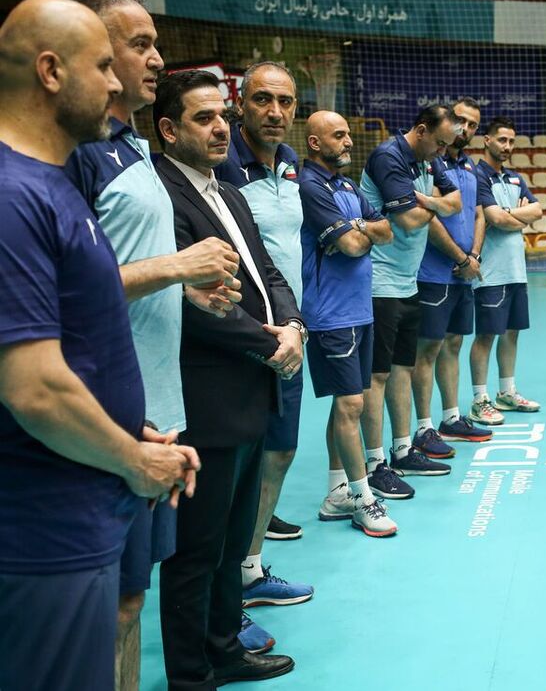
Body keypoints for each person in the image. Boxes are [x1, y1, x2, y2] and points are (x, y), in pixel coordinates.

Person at [0, 0, 197, 691]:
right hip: (44, 524)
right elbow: (33, 386)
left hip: (86, 494)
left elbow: (72, 340)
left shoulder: (51, 184)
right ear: (52, 71)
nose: (117, 83)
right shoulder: (12, 196)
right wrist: (135, 458)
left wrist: (125, 427)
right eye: (103, 67)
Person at [64, 0, 247, 685]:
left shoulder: (132, 149)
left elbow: (120, 265)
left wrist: (182, 288)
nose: (156, 59)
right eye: (138, 43)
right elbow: (64, 287)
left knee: (130, 600)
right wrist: (176, 265)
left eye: (154, 43)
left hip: (157, 409)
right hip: (106, 413)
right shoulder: (76, 155)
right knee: (101, 607)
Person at [155, 69, 303, 687]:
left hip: (250, 393)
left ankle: (224, 649)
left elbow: (267, 271)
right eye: (204, 118)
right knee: (197, 549)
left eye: (222, 115)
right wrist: (270, 345)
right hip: (208, 398)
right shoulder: (163, 196)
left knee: (232, 540)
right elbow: (191, 306)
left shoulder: (230, 193)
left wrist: (292, 324)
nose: (221, 127)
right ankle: (191, 675)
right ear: (169, 130)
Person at [212, 62, 314, 632]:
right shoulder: (223, 163)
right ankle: (223, 596)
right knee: (237, 466)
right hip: (242, 338)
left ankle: (249, 570)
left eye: (285, 101)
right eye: (262, 100)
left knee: (279, 452)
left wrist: (295, 322)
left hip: (289, 334)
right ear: (241, 105)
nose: (275, 112)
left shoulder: (290, 163)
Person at [299, 110, 399, 536]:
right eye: (338, 135)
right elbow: (352, 245)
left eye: (347, 135)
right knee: (351, 405)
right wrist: (361, 231)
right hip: (331, 314)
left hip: (359, 310)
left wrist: (360, 228)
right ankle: (362, 497)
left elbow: (386, 230)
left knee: (347, 403)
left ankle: (336, 491)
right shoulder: (310, 186)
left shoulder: (346, 185)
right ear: (315, 143)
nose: (348, 142)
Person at [360, 104, 461, 482]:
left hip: (407, 281)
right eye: (439, 143)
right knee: (377, 375)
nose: (443, 152)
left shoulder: (428, 160)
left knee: (402, 367)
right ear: (421, 130)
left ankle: (402, 449)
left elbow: (455, 203)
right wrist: (436, 205)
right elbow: (407, 219)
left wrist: (427, 201)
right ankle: (374, 464)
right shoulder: (389, 157)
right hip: (379, 282)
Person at [412, 97, 492, 452]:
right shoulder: (429, 163)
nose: (466, 129)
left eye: (473, 124)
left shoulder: (471, 166)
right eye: (461, 121)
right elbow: (427, 218)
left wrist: (473, 256)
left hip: (464, 272)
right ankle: (424, 428)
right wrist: (461, 257)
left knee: (454, 344)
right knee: (427, 349)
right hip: (433, 273)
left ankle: (451, 417)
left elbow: (478, 214)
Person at [469, 116, 543, 425]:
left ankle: (507, 392)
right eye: (502, 140)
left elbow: (537, 210)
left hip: (516, 271)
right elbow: (494, 219)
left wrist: (510, 213)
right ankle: (479, 399)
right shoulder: (477, 175)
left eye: (511, 141)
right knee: (486, 335)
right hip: (490, 273)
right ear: (487, 140)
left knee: (512, 333)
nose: (507, 146)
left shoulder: (514, 178)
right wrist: (519, 215)